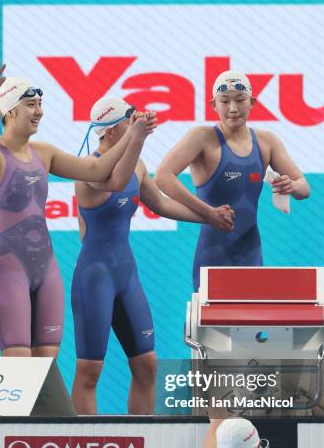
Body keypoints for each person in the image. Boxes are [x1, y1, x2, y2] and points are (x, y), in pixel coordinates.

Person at [0, 61, 154, 358]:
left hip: (48, 269)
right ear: (10, 111)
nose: (39, 111)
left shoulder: (44, 153)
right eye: (31, 104)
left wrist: (133, 134)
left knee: (46, 366)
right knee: (19, 362)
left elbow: (97, 168)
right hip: (10, 268)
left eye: (40, 104)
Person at [71, 96, 216, 415]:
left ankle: (144, 445)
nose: (136, 125)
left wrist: (210, 216)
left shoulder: (137, 165)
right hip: (95, 278)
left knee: (147, 364)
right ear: (110, 132)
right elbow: (115, 180)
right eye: (129, 122)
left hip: (126, 275)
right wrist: (139, 137)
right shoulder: (87, 172)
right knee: (90, 371)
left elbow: (161, 204)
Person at [155, 70, 310, 290]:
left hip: (251, 255)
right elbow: (162, 177)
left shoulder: (267, 142)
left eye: (240, 100)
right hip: (212, 256)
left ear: (252, 102)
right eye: (224, 101)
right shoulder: (201, 138)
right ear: (213, 105)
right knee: (211, 324)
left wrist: (291, 186)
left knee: (252, 324)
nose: (233, 109)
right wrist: (208, 212)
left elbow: (304, 189)